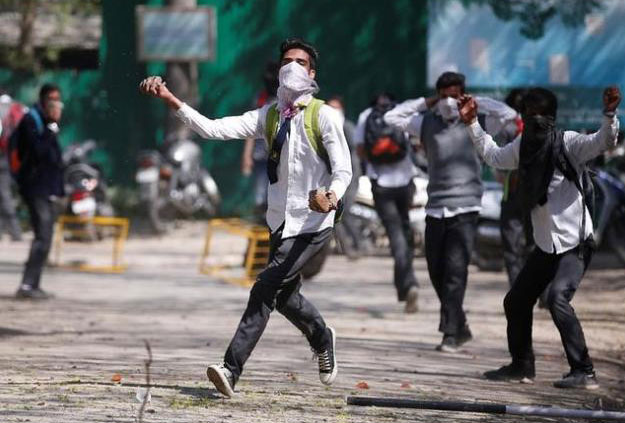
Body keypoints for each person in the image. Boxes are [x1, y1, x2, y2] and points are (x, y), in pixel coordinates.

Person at [140, 37, 351, 397]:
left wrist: (332, 195)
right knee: (283, 295)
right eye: (287, 61)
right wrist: (171, 100)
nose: (292, 67)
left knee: (264, 289)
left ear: (312, 73)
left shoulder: (324, 116)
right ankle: (320, 334)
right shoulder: (269, 115)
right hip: (279, 222)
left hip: (314, 223)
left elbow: (343, 169)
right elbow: (213, 128)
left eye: (300, 62)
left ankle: (230, 368)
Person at [459, 86, 620, 389]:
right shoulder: (523, 146)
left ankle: (584, 370)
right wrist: (472, 124)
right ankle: (522, 366)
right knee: (516, 301)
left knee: (558, 298)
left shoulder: (568, 143)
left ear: (552, 118)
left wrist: (609, 115)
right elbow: (494, 156)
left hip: (575, 244)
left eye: (539, 117)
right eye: (528, 116)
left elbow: (603, 141)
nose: (533, 123)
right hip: (546, 246)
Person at [384, 72, 516, 352]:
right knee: (436, 271)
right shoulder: (426, 123)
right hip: (436, 207)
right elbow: (391, 118)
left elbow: (507, 113)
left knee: (456, 270)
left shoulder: (478, 121)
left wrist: (473, 102)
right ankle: (461, 325)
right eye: (443, 94)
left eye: (453, 94)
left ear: (463, 94)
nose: (448, 101)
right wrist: (427, 102)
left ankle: (450, 333)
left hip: (466, 206)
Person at [354, 93, 420, 313]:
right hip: (405, 181)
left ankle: (408, 285)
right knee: (405, 230)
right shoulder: (401, 113)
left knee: (396, 235)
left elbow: (361, 149)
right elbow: (416, 143)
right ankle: (407, 285)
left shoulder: (366, 115)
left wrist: (375, 161)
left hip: (381, 183)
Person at [14, 83, 65, 299]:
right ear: (43, 100)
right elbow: (38, 152)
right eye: (51, 100)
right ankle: (27, 285)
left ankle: (33, 284)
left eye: (58, 100)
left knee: (45, 236)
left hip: (46, 188)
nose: (56, 104)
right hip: (35, 188)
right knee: (42, 236)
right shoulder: (31, 120)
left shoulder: (44, 122)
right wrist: (52, 128)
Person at [497, 89, 534, 287]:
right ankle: (543, 292)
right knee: (537, 244)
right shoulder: (541, 127)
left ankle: (518, 290)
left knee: (512, 247)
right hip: (537, 196)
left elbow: (499, 166)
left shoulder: (507, 129)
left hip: (512, 193)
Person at [241, 61, 279, 220]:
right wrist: (246, 155)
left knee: (277, 195)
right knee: (260, 197)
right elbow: (251, 128)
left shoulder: (285, 98)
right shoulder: (260, 98)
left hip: (280, 156)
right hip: (260, 155)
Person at [326, 95, 363, 260]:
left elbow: (354, 156)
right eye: (330, 107)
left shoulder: (347, 127)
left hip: (350, 177)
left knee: (344, 210)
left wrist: (350, 178)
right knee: (334, 213)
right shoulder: (325, 127)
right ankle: (349, 248)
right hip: (331, 178)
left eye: (336, 108)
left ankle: (359, 243)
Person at [0, 92, 24, 241]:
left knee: (5, 195)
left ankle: (15, 232)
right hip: (8, 160)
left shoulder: (5, 119)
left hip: (3, 160)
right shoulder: (13, 117)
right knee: (3, 196)